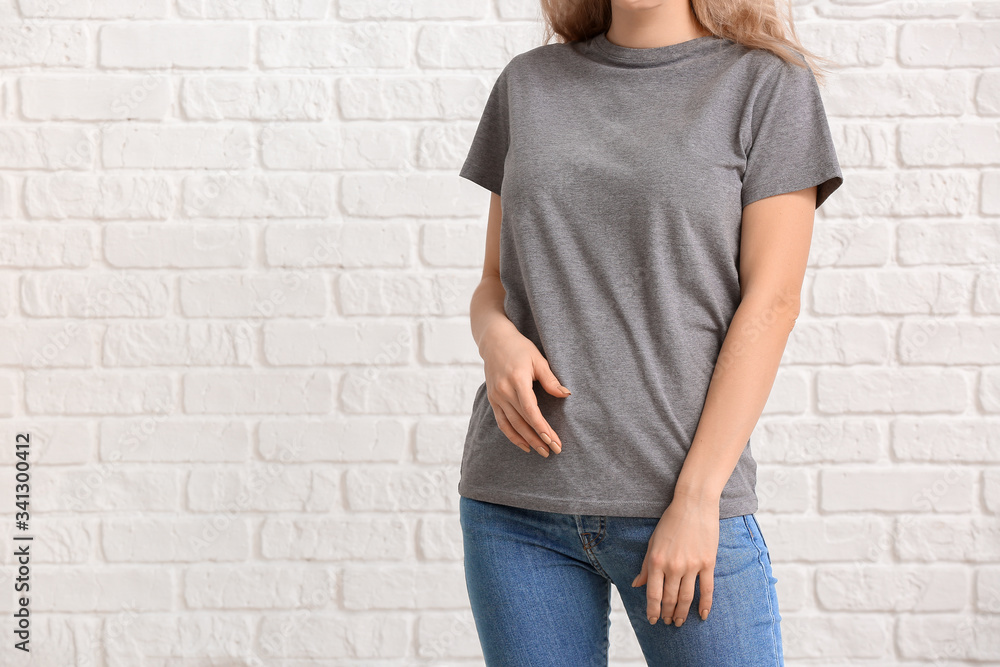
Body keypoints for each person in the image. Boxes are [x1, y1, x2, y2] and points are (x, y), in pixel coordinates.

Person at [456, 0, 843, 664]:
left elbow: (773, 302)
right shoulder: (527, 84)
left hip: (682, 497)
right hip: (514, 505)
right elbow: (493, 281)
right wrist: (497, 339)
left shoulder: (766, 86)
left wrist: (697, 498)